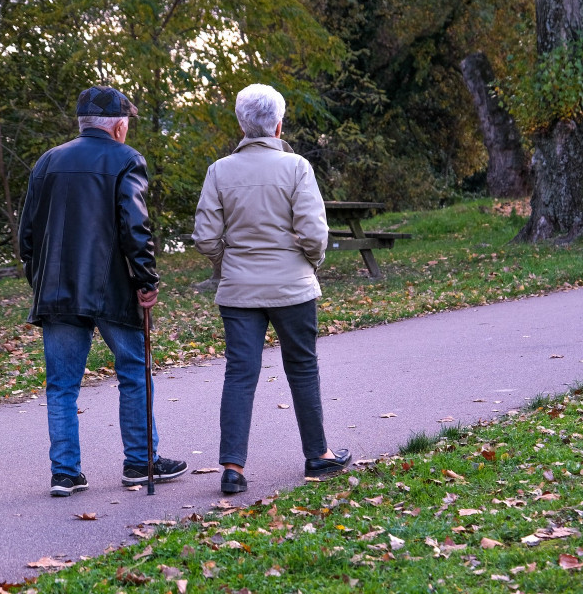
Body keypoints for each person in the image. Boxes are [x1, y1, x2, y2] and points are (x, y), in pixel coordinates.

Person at [19, 85, 187, 497]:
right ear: (117, 126)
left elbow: (27, 236)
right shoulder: (126, 159)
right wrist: (146, 281)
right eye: (126, 121)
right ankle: (139, 461)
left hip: (56, 290)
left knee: (61, 384)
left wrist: (39, 279)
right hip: (111, 288)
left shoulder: (47, 162)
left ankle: (65, 472)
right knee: (133, 370)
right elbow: (135, 227)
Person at [192, 83, 351, 495]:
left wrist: (226, 264)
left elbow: (206, 237)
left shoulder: (218, 170)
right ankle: (318, 456)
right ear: (279, 124)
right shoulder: (296, 167)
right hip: (292, 287)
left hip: (238, 290)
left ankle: (232, 467)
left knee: (240, 375)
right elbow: (314, 233)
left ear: (242, 124)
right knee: (302, 367)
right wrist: (307, 264)